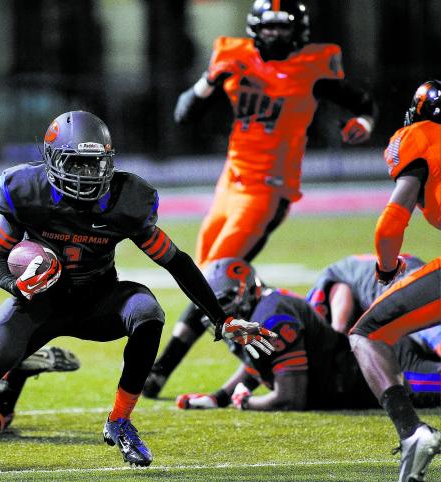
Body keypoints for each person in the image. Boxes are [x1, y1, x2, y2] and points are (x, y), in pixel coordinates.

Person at [0, 110, 277, 481]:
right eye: (76, 163)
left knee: (147, 313)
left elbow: (175, 261)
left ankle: (120, 421)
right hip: (40, 303)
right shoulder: (26, 193)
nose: (87, 174)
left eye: (95, 164)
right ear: (52, 160)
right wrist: (17, 286)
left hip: (99, 300)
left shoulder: (126, 199)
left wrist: (222, 318)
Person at [144, 0, 376, 399]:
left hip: (270, 188)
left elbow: (364, 103)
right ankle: (269, 342)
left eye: (284, 27)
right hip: (230, 182)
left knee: (212, 280)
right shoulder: (233, 57)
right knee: (206, 275)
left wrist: (363, 123)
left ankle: (160, 371)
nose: (275, 34)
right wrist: (207, 81)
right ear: (254, 28)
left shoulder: (313, 65)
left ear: (298, 31)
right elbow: (184, 114)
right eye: (268, 27)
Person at [172, 258, 441, 412]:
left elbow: (290, 397)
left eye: (226, 300)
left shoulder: (272, 316)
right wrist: (218, 397)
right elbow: (263, 361)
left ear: (247, 290)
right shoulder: (265, 310)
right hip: (362, 370)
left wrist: (246, 403)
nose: (218, 311)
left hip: (388, 370)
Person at [348, 79, 441, 482]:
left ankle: (412, 432)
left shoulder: (418, 136)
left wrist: (386, 270)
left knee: (367, 334)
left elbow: (391, 223)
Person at [307, 253, 426, 334]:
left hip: (400, 287)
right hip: (425, 272)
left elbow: (339, 328)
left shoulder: (334, 279)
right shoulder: (348, 270)